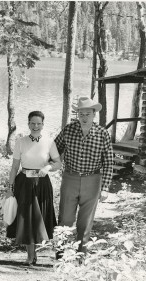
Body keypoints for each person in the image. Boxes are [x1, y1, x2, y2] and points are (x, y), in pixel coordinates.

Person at [54, 96, 113, 254]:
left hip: (92, 180)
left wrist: (105, 188)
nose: (84, 117)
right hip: (70, 178)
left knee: (85, 222)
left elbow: (108, 162)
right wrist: (45, 165)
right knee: (65, 219)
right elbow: (54, 148)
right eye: (81, 114)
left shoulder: (102, 134)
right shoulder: (69, 130)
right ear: (77, 115)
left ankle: (81, 256)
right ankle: (61, 255)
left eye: (87, 114)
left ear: (94, 114)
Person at [6, 111, 61, 265]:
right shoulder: (20, 142)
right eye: (32, 123)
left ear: (43, 124)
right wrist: (10, 188)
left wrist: (48, 167)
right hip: (24, 183)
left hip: (42, 184)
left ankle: (34, 254)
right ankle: (30, 256)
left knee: (40, 218)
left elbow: (58, 163)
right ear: (28, 124)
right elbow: (14, 167)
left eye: (39, 123)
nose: (35, 126)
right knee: (27, 218)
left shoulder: (49, 142)